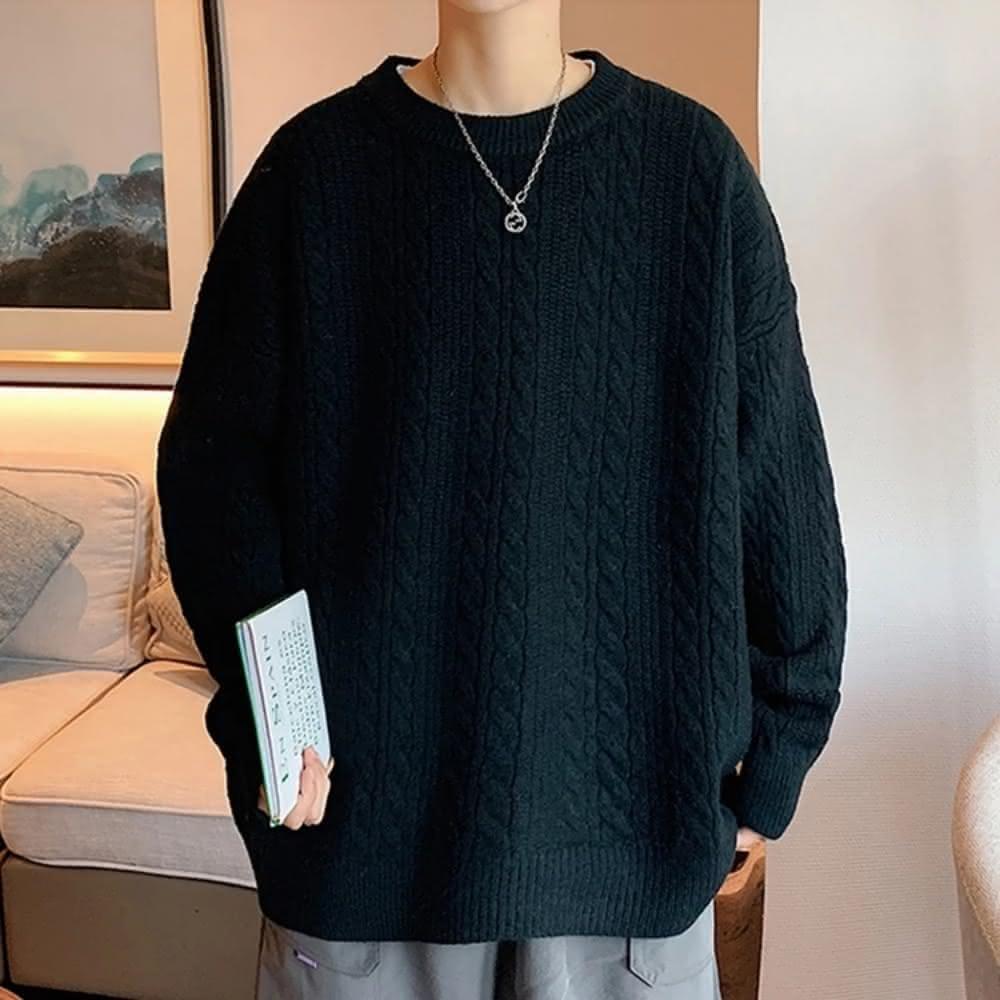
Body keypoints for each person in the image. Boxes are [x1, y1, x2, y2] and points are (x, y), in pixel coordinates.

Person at [155, 0, 848, 996]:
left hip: (630, 860)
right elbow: (214, 477)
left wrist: (780, 747)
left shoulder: (692, 170)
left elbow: (782, 486)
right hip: (362, 854)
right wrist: (279, 713)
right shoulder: (312, 173)